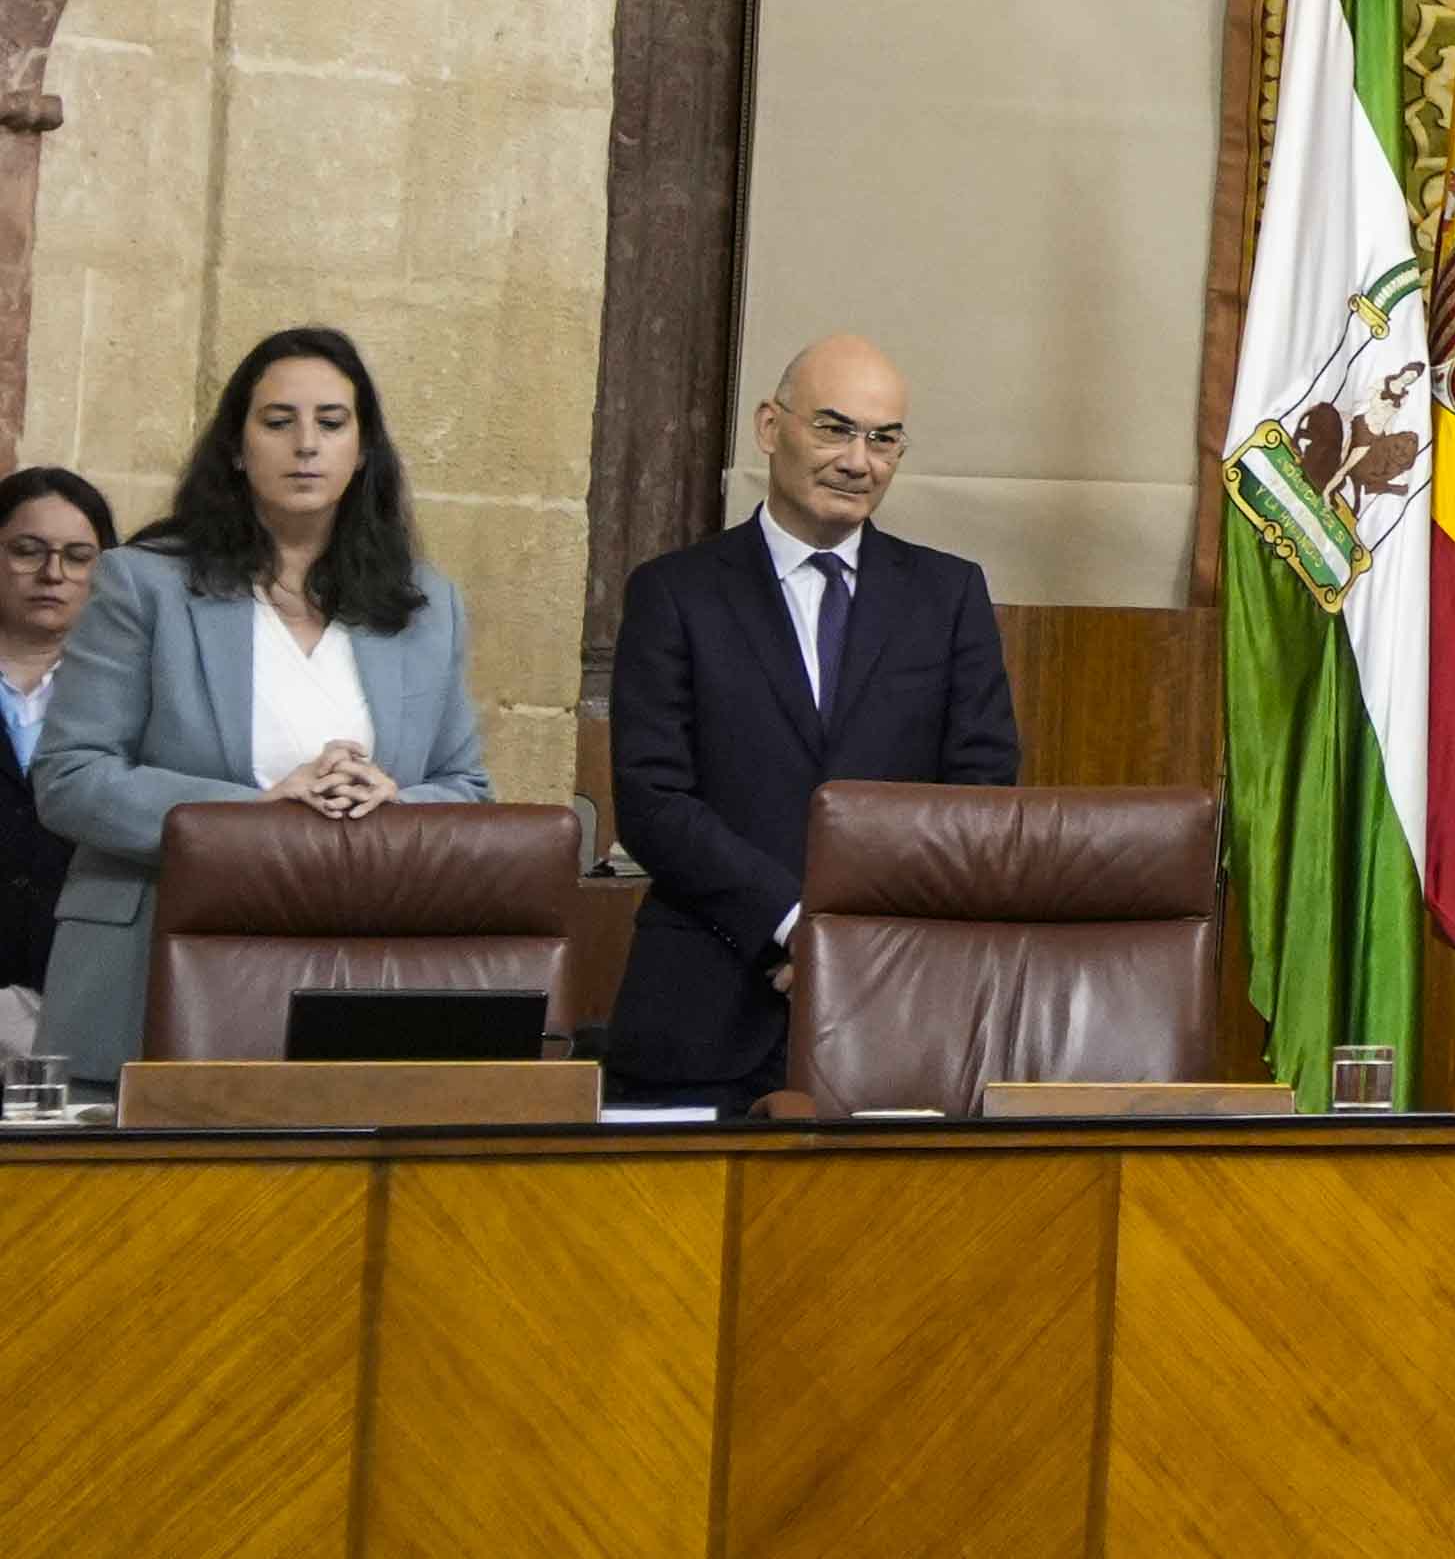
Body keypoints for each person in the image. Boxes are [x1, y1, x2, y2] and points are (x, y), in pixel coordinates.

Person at [34, 327, 494, 1077]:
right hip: (153, 969)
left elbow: (467, 788)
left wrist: (393, 800)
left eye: (331, 422)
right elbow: (71, 777)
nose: (306, 444)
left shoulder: (425, 605)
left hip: (351, 969)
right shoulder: (143, 584)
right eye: (279, 421)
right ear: (238, 449)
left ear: (363, 451)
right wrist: (251, 811)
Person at [597, 335, 1023, 1112]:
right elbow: (653, 800)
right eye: (834, 429)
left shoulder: (948, 596)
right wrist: (796, 925)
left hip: (896, 1009)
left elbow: (979, 798)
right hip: (704, 1012)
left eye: (883, 439)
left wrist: (852, 942)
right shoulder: (674, 593)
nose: (858, 461)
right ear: (770, 427)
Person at [0, 464, 114, 1058]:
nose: (53, 574)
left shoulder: (128, 696)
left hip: (83, 991)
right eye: (27, 551)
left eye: (78, 557)